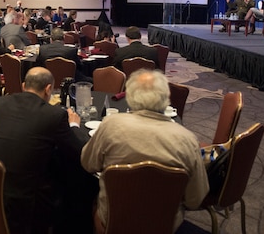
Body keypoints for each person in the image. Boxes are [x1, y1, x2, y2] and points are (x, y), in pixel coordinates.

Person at [81, 69, 209, 232]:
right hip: (165, 226)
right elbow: (195, 199)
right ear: (166, 98)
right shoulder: (187, 140)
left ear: (130, 97)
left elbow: (88, 164)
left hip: (112, 223)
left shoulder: (110, 126)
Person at [0, 67, 97, 234]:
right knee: (75, 179)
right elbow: (79, 152)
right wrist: (73, 125)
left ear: (23, 86)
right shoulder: (54, 115)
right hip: (30, 203)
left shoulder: (0, 103)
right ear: (48, 89)